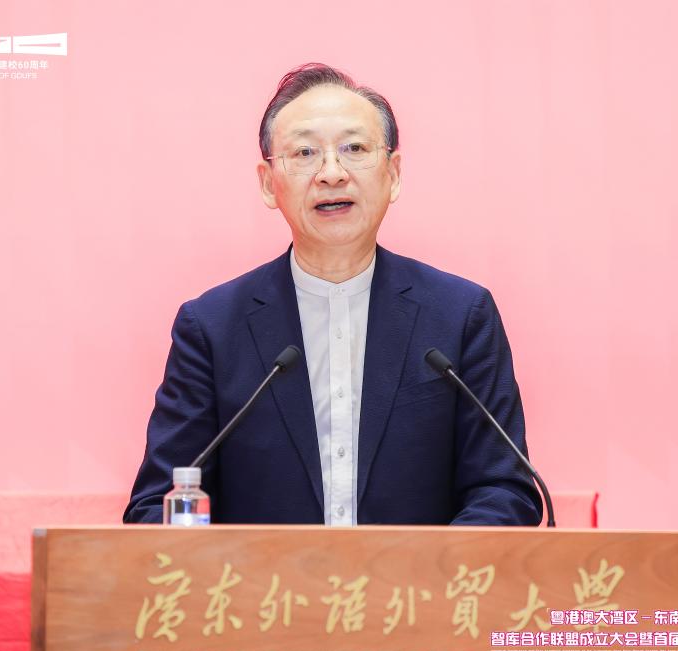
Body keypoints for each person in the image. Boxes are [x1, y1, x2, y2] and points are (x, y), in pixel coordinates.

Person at [123, 63, 542, 526]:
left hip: (418, 576)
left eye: (354, 149)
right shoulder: (213, 328)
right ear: (268, 183)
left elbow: (504, 491)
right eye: (304, 152)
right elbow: (160, 504)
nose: (331, 173)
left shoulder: (460, 316)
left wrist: (428, 568)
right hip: (263, 576)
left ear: (393, 174)